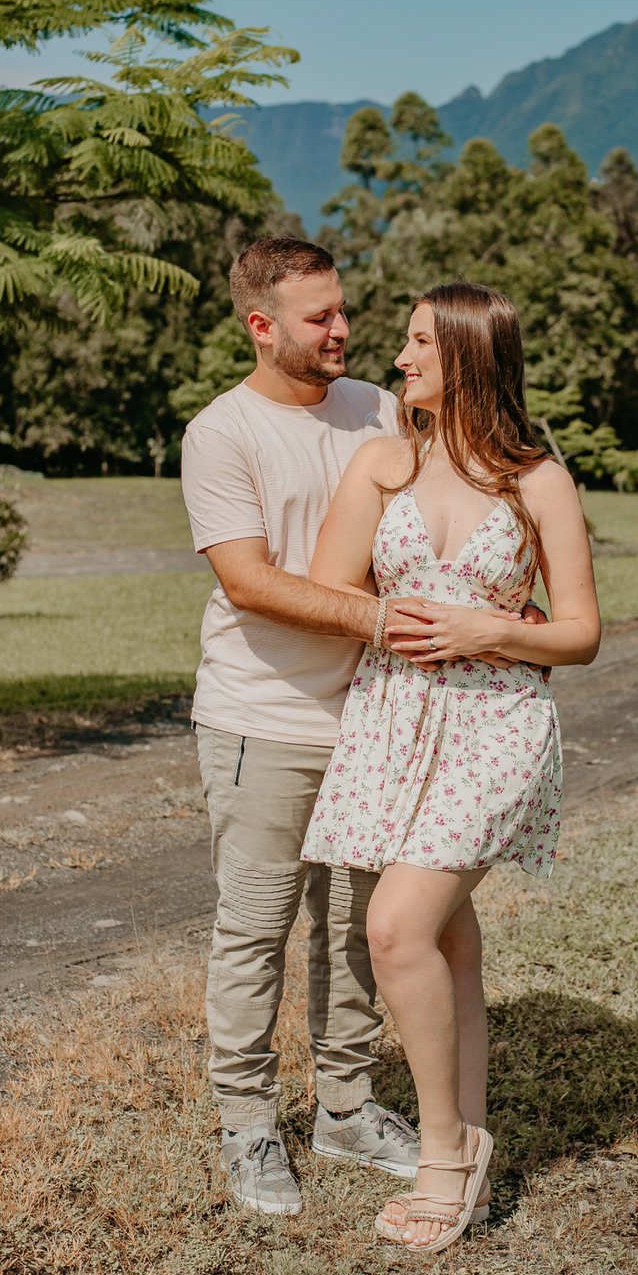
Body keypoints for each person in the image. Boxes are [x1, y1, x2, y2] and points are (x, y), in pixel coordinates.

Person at [301, 282, 601, 1253]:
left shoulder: (537, 481)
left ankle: (442, 1157)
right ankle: (471, 1142)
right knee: (446, 940)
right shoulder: (381, 467)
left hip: (495, 725)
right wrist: (391, 622)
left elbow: (582, 635)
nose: (399, 357)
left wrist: (485, 629)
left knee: (395, 928)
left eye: (420, 342)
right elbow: (329, 594)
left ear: (470, 354)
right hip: (395, 721)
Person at [180, 236, 422, 1216]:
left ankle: (346, 1108)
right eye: (319, 316)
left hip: (372, 717)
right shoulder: (222, 433)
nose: (342, 330)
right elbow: (248, 581)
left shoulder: (378, 408)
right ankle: (247, 1129)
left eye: (342, 310)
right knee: (255, 932)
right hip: (261, 720)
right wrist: (381, 619)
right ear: (260, 324)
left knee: (358, 930)